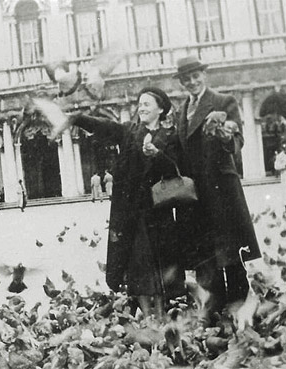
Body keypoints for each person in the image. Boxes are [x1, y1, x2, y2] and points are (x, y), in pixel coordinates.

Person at [42, 86, 185, 319]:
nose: (142, 108)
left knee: (161, 266)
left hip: (159, 211)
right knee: (138, 265)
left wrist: (157, 155)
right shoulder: (129, 131)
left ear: (161, 109)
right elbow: (104, 126)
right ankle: (148, 315)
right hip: (132, 212)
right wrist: (77, 118)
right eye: (140, 103)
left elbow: (175, 171)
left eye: (147, 104)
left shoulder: (170, 137)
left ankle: (161, 313)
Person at [172, 55, 261, 326]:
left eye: (195, 76)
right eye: (186, 79)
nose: (192, 82)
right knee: (204, 257)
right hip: (196, 196)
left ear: (204, 75)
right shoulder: (180, 111)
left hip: (222, 192)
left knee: (232, 255)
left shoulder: (224, 102)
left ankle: (239, 309)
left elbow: (237, 144)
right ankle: (211, 312)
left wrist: (223, 131)